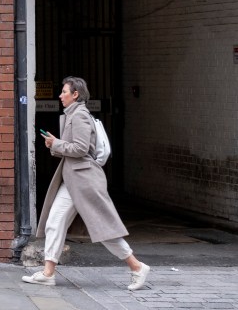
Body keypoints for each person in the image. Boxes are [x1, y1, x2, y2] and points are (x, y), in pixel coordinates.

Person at [23, 76, 149, 290]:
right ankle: (48, 272)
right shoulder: (73, 114)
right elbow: (74, 148)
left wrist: (57, 143)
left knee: (103, 228)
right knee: (55, 222)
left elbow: (81, 149)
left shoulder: (80, 115)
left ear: (75, 95)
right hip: (73, 179)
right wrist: (56, 144)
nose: (60, 95)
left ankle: (137, 267)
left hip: (84, 180)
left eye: (64, 92)